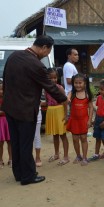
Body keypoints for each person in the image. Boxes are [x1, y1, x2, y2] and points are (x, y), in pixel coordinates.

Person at [2, 35, 68, 185]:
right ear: (44, 47)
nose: (46, 55)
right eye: (47, 52)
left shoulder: (14, 56)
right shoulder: (36, 64)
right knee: (25, 144)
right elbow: (50, 87)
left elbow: (5, 80)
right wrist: (64, 99)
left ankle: (19, 173)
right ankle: (28, 176)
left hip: (10, 108)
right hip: (25, 110)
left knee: (17, 142)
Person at [67, 73, 94, 166]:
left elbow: (91, 108)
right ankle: (78, 156)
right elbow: (67, 98)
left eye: (80, 83)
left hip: (83, 120)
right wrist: (68, 99)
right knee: (75, 139)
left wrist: (90, 120)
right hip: (74, 120)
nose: (78, 85)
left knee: (83, 138)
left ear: (85, 83)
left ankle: (85, 157)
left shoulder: (87, 95)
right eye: (76, 83)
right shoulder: (72, 93)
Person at [45, 69, 69, 166]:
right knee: (55, 135)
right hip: (51, 112)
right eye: (50, 78)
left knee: (62, 135)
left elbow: (65, 102)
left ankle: (66, 157)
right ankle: (56, 154)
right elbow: (47, 101)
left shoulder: (60, 88)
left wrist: (66, 115)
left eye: (55, 78)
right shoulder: (46, 89)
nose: (53, 80)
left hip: (59, 112)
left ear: (57, 78)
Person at [0, 80, 11, 168]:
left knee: (10, 141)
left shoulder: (8, 99)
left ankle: (11, 159)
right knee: (0, 143)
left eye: (2, 89)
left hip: (8, 121)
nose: (1, 91)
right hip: (0, 123)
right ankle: (0, 160)